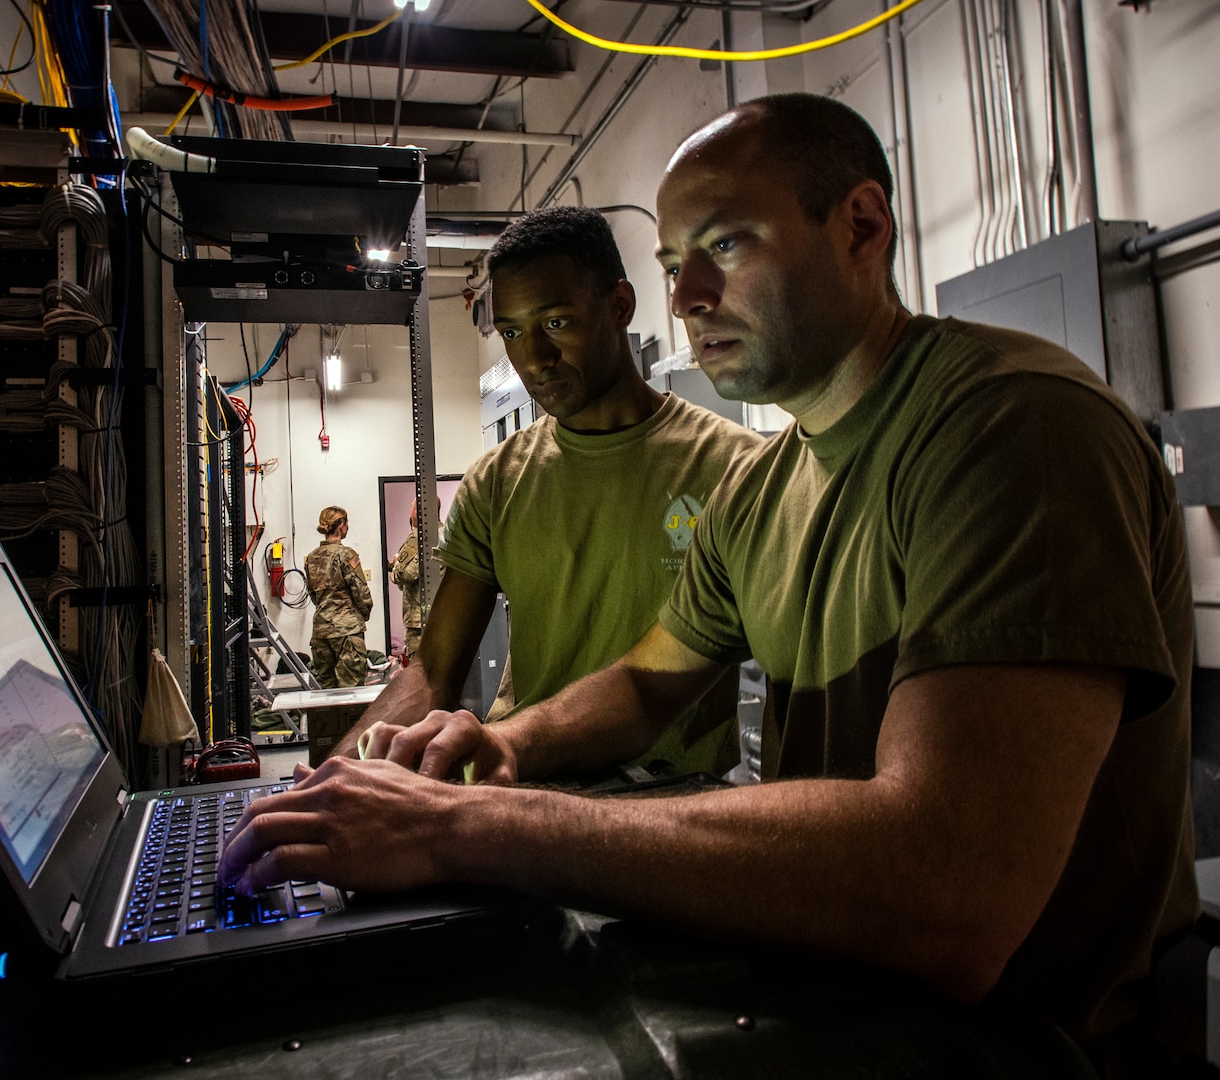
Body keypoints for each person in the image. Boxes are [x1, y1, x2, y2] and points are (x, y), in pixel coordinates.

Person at [221, 94, 1197, 1067]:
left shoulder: (1011, 429)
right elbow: (647, 684)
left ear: (859, 226)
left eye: (725, 247)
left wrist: (468, 826)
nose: (685, 296)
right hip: (852, 1003)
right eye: (672, 261)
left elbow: (950, 887)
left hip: (1041, 1043)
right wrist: (502, 742)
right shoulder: (762, 486)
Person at [339, 205, 763, 777]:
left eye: (556, 323)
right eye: (512, 332)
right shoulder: (498, 480)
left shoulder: (733, 469)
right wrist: (339, 773)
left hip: (672, 801)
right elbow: (435, 668)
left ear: (620, 306)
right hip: (524, 783)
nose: (533, 359)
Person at [303, 506, 373, 688]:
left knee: (326, 690)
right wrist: (364, 612)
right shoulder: (347, 554)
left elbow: (312, 592)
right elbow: (360, 589)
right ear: (340, 524)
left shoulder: (311, 557)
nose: (347, 527)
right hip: (346, 631)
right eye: (346, 522)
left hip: (320, 631)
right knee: (351, 689)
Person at [389, 502, 423, 661]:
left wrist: (396, 564)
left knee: (417, 670)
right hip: (444, 616)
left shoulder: (417, 538)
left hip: (418, 620)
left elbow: (405, 575)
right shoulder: (447, 533)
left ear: (416, 512)